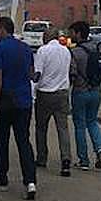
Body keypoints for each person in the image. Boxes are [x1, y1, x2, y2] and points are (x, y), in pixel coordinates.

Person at [0, 17, 38, 199]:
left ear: (2, 29)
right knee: (24, 141)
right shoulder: (25, 48)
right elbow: (32, 74)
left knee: (1, 140)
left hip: (5, 101)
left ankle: (1, 180)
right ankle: (30, 182)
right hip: (24, 101)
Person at [33, 27, 74, 177]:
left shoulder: (43, 51)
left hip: (45, 94)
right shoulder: (66, 51)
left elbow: (37, 74)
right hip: (62, 93)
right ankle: (66, 160)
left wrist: (32, 86)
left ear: (47, 37)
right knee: (63, 128)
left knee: (41, 128)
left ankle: (42, 157)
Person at [69, 20, 101, 171]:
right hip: (96, 91)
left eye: (72, 32)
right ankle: (99, 149)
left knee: (80, 126)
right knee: (92, 121)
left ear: (78, 34)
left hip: (80, 91)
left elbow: (71, 73)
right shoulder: (95, 49)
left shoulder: (75, 52)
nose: (70, 35)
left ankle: (83, 160)